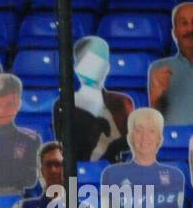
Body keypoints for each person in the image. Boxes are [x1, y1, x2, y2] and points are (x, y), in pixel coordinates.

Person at [100, 107, 187, 208]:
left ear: (159, 139)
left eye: (151, 131)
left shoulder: (175, 176)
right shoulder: (111, 174)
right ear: (130, 137)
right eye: (138, 130)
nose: (144, 137)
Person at [53, 36, 134, 164]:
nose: (95, 68)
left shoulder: (121, 102)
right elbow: (66, 146)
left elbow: (130, 142)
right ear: (77, 67)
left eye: (100, 61)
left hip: (113, 173)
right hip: (79, 173)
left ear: (107, 67)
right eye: (89, 61)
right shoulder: (63, 104)